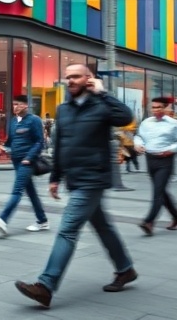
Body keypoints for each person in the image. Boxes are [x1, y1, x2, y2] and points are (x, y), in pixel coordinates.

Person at [13, 65, 136, 309]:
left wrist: (103, 93)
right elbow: (61, 145)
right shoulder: (64, 109)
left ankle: (46, 286)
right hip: (75, 178)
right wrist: (55, 177)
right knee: (102, 226)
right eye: (67, 77)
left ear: (89, 79)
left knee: (67, 230)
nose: (70, 80)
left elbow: (125, 117)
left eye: (76, 76)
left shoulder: (101, 104)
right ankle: (125, 269)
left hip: (93, 178)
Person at [0, 95, 49, 236]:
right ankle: (42, 220)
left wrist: (29, 157)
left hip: (26, 162)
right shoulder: (13, 121)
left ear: (25, 105)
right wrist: (3, 148)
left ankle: (3, 219)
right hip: (16, 161)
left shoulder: (34, 120)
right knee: (31, 191)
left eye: (18, 104)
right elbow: (10, 142)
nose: (15, 107)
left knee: (17, 191)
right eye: (13, 104)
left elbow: (39, 142)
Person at [133, 97, 177, 236]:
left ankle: (148, 222)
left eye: (159, 107)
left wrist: (171, 150)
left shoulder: (174, 124)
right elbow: (139, 136)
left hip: (165, 161)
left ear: (165, 108)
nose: (155, 110)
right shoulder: (146, 122)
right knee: (161, 192)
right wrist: (137, 144)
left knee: (157, 192)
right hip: (150, 160)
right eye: (153, 107)